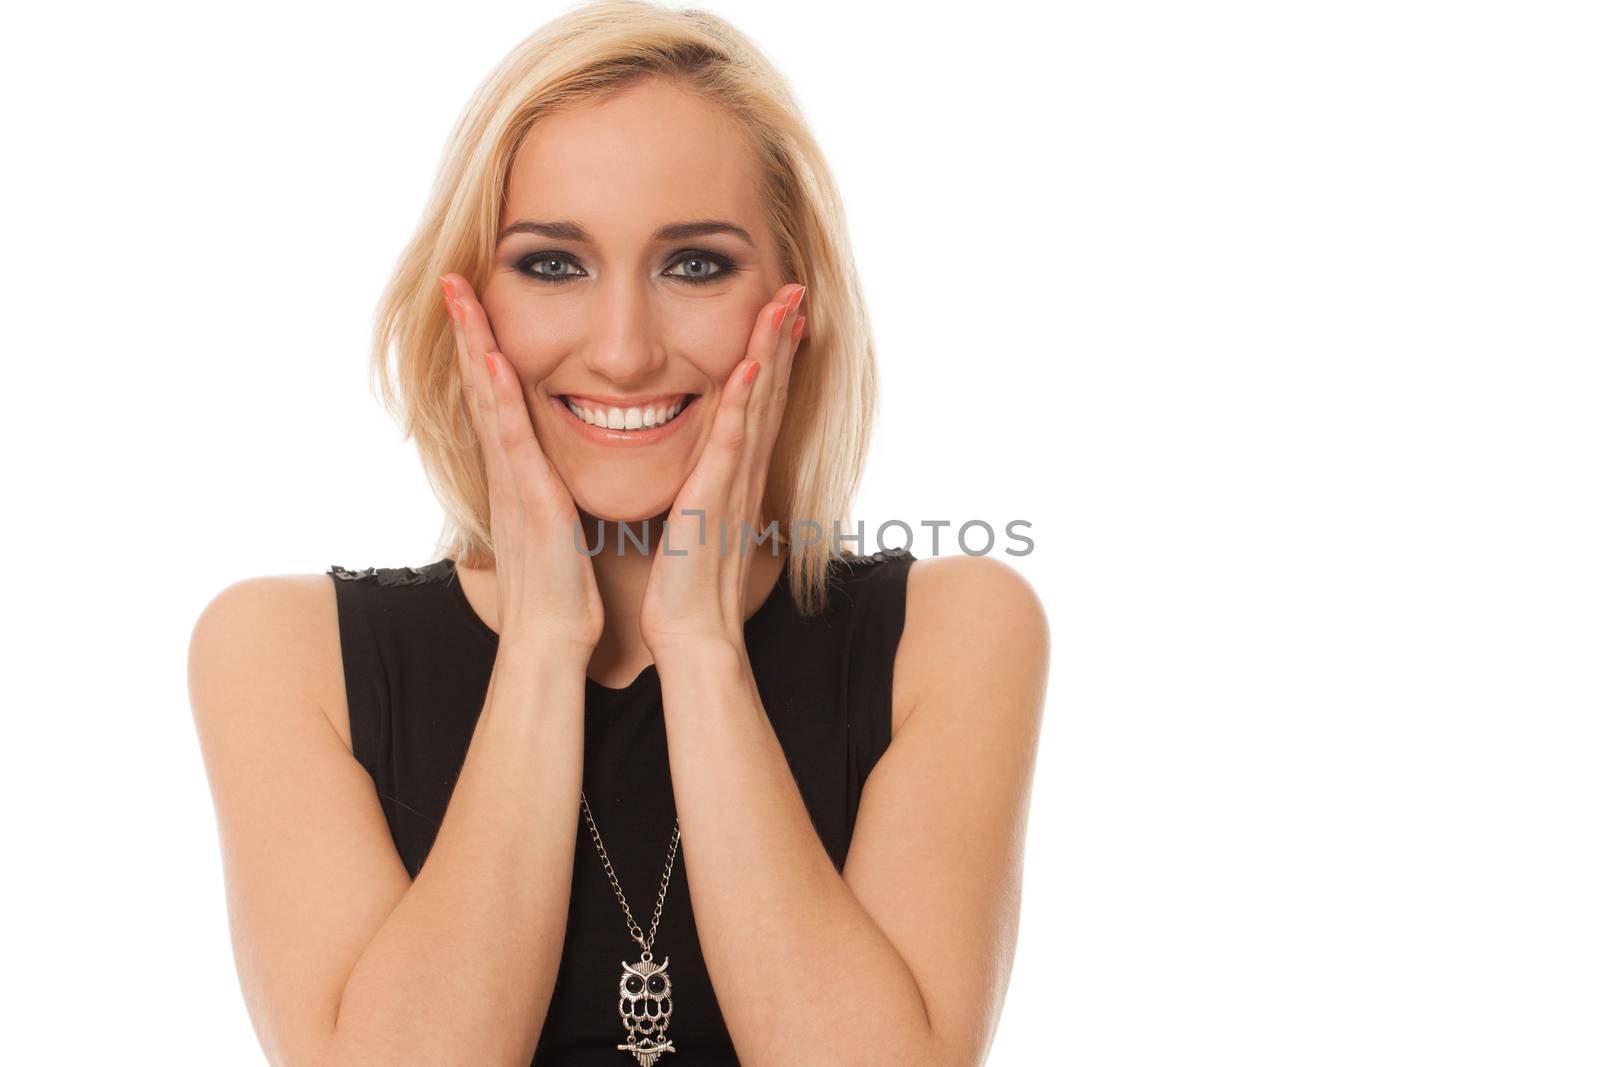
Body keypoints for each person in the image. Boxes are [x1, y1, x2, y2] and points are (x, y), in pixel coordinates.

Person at [187, 2, 1048, 1064]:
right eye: (554, 264)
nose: (626, 352)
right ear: (468, 303)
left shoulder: (954, 632)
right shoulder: (281, 649)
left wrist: (698, 642)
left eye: (694, 265)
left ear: (796, 301)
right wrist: (546, 637)